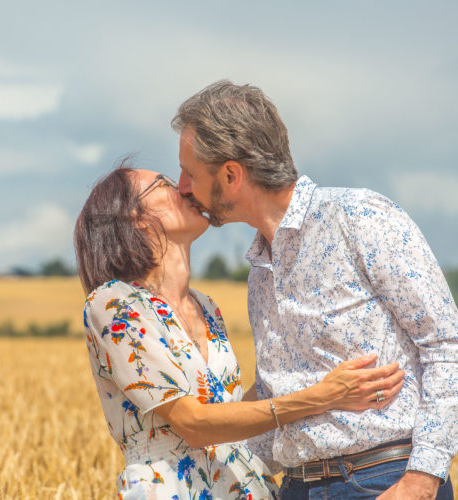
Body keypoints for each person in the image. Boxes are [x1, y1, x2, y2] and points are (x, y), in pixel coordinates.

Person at [172, 80, 458, 500]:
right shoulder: (260, 268)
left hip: (384, 478)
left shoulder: (359, 216)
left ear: (232, 175)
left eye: (190, 172)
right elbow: (281, 395)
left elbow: (446, 344)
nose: (181, 186)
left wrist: (422, 480)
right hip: (296, 487)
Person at [74, 163, 405, 499]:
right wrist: (322, 396)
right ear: (135, 218)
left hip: (242, 485)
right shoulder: (114, 304)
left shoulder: (206, 306)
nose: (185, 188)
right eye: (163, 184)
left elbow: (228, 406)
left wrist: (319, 361)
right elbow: (194, 424)